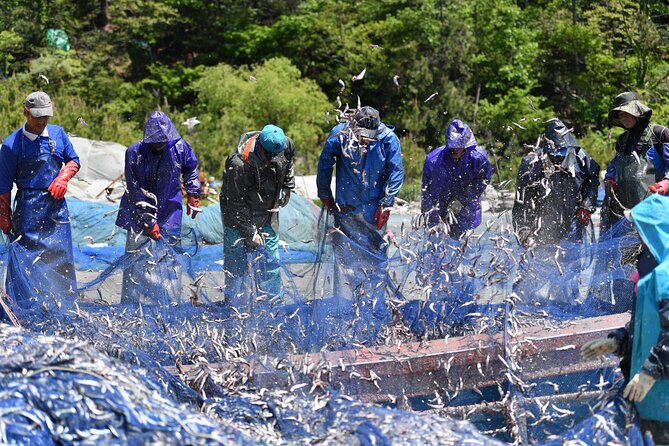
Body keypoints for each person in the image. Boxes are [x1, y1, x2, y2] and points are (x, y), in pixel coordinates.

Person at [581, 194, 669, 444]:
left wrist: (650, 372)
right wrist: (618, 342)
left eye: (642, 231)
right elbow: (647, 323)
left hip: (662, 397)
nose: (638, 237)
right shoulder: (654, 269)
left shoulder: (666, 275)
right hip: (652, 400)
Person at [0, 91, 80, 311]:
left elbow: (73, 160)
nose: (42, 121)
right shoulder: (10, 145)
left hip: (56, 209)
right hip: (28, 209)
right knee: (26, 262)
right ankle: (22, 308)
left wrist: (64, 177)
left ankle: (64, 306)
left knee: (60, 257)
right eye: (37, 117)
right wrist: (4, 215)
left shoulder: (58, 134)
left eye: (46, 117)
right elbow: (4, 186)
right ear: (26, 112)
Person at [115, 111, 201, 304]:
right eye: (155, 143)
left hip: (170, 210)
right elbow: (134, 189)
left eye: (162, 142)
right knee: (137, 259)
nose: (159, 146)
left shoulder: (180, 148)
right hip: (138, 211)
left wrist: (194, 193)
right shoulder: (134, 153)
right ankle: (132, 304)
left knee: (169, 259)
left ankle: (169, 302)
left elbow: (191, 168)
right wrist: (147, 221)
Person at [220, 124, 295, 298]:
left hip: (267, 213)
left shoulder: (286, 145)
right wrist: (250, 232)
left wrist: (287, 187)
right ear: (259, 145)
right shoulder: (238, 164)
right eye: (269, 155)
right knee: (236, 265)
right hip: (236, 218)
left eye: (276, 155)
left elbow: (289, 163)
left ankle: (272, 305)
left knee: (270, 262)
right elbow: (235, 203)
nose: (272, 158)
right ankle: (234, 304)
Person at [317, 106, 404, 237]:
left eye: (370, 135)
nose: (365, 139)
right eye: (362, 135)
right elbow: (325, 164)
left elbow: (396, 173)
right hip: (346, 204)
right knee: (344, 246)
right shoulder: (340, 134)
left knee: (374, 249)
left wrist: (386, 205)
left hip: (375, 207)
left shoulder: (389, 140)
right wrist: (325, 194)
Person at [512, 118, 600, 246]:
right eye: (554, 154)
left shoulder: (581, 158)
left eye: (562, 153)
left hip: (573, 221)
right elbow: (521, 202)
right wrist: (524, 229)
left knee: (571, 261)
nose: (557, 158)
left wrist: (586, 205)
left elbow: (592, 181)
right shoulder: (531, 165)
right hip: (540, 225)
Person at [601, 92, 669, 234]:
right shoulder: (622, 140)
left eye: (626, 113)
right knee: (627, 253)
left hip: (656, 209)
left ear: (638, 112)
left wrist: (666, 182)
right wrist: (610, 177)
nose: (622, 117)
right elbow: (615, 164)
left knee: (653, 252)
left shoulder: (660, 133)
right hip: (627, 211)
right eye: (620, 114)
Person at [422, 119, 492, 238]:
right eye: (452, 146)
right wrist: (432, 218)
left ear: (466, 146)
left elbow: (482, 181)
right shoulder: (433, 161)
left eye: (458, 146)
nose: (454, 149)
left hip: (467, 208)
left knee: (461, 244)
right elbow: (426, 192)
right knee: (437, 244)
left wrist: (460, 200)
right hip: (438, 207)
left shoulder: (479, 158)